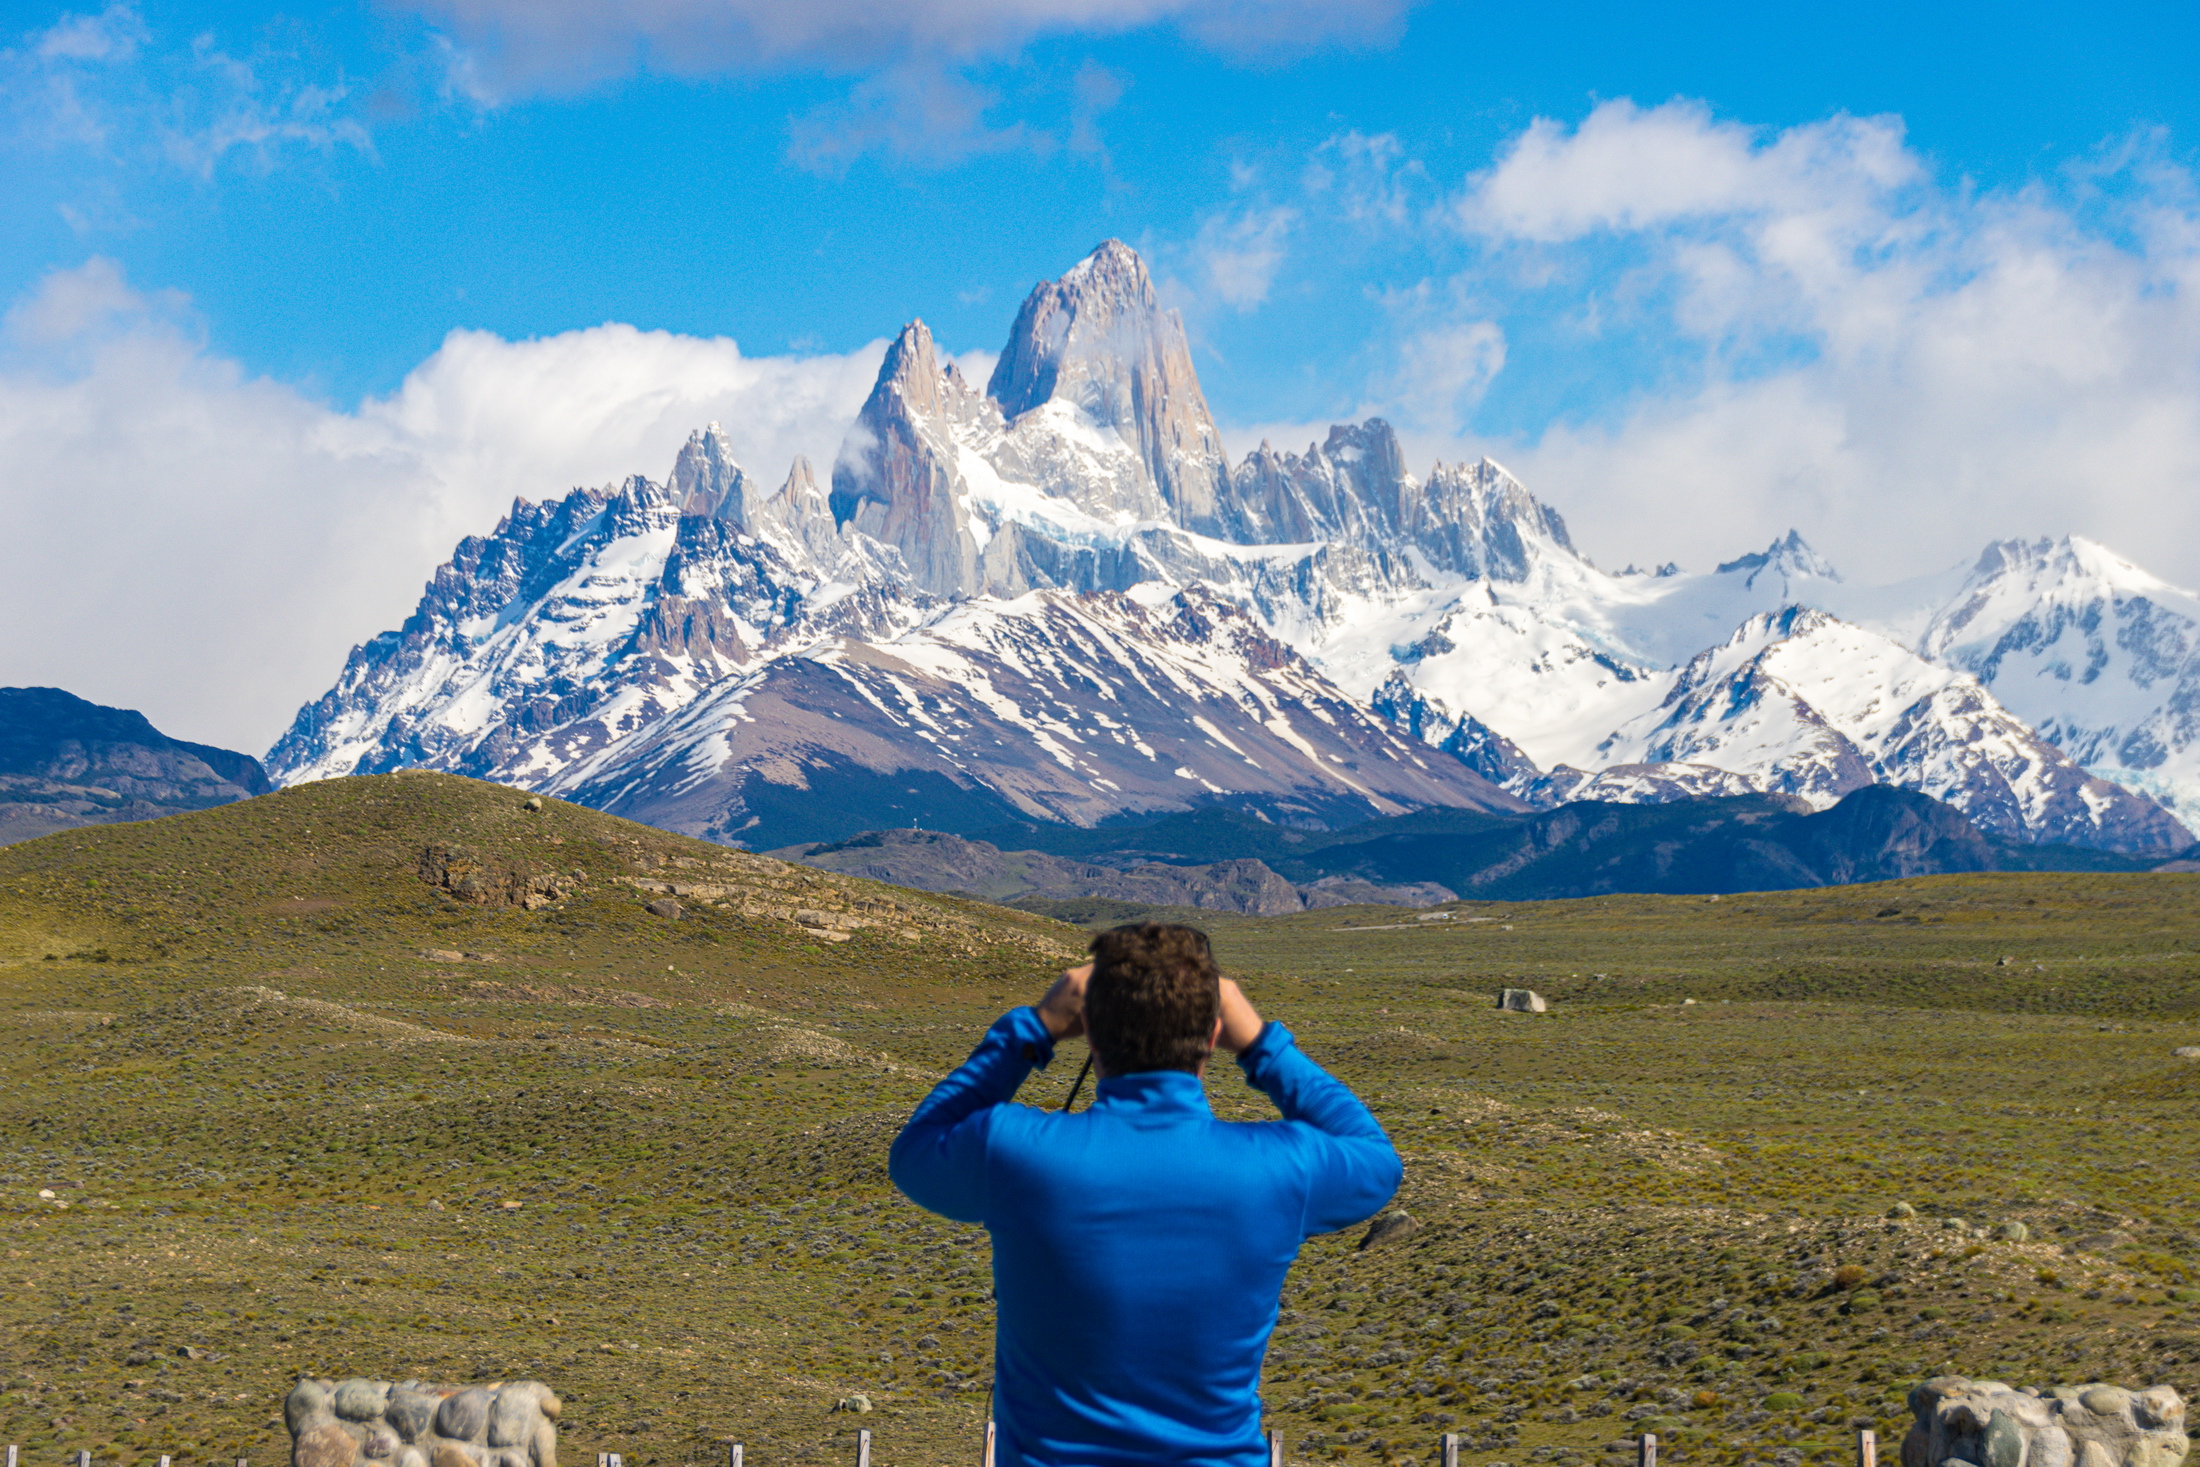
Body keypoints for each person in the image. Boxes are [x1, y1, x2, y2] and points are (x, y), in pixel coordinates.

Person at [888, 921, 1402, 1467]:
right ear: (1213, 1035)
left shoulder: (1015, 1151)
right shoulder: (1279, 1168)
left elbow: (915, 1150)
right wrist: (1261, 1045)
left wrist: (1031, 1029)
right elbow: (1376, 1161)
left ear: (1086, 1028)